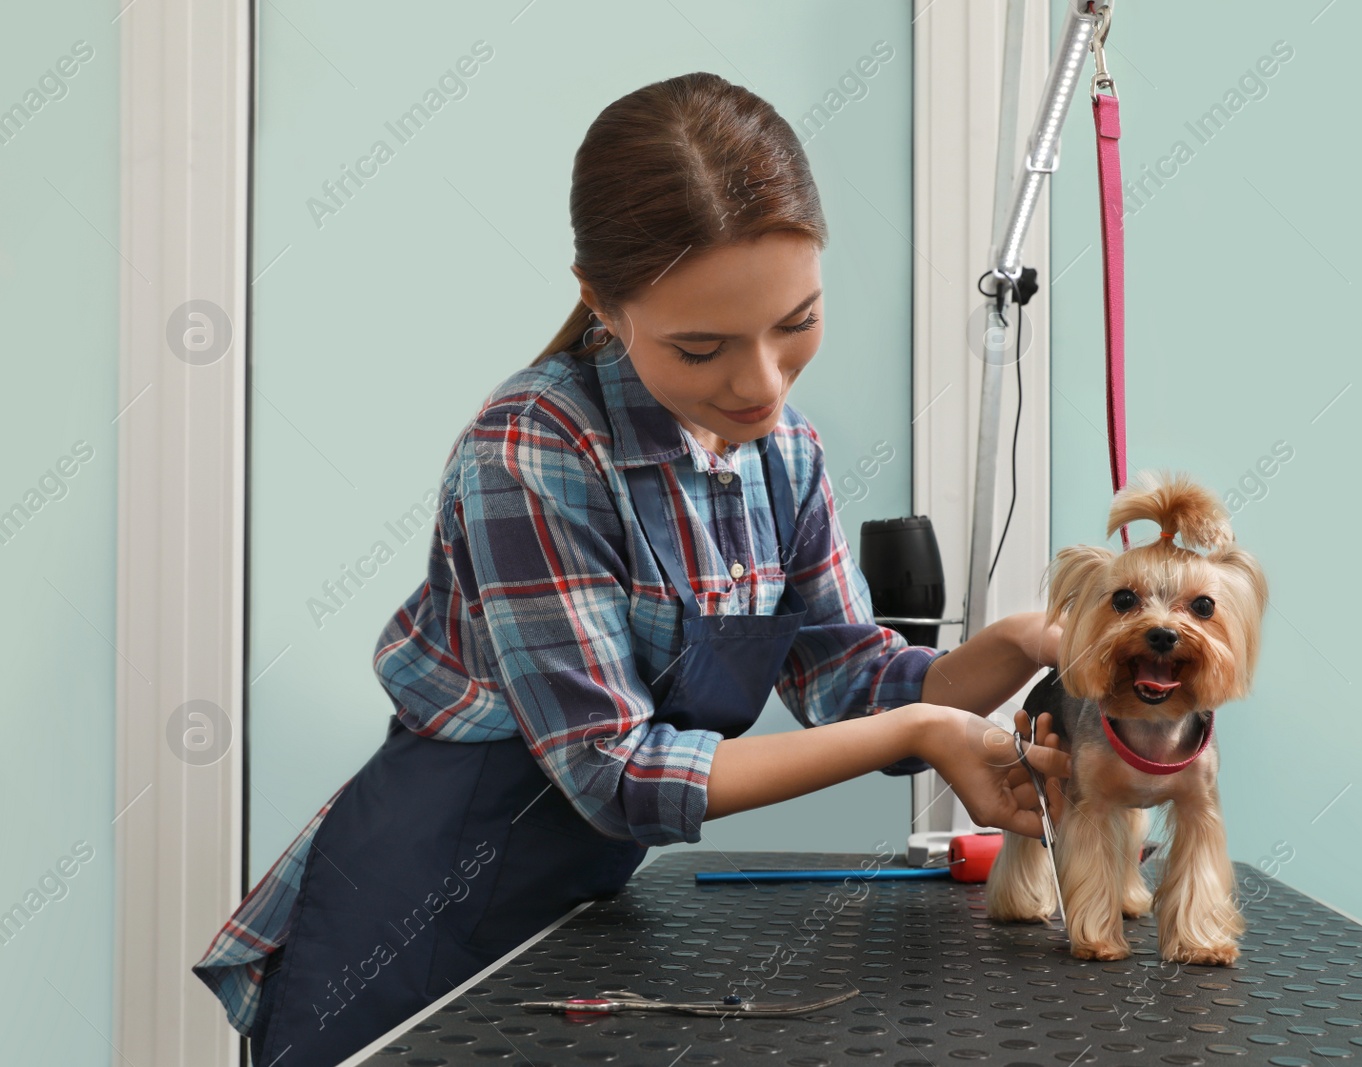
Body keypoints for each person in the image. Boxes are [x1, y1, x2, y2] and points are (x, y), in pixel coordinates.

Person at [192, 70, 1071, 1066]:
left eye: (796, 325)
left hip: (577, 915)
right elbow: (613, 771)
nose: (761, 385)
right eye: (701, 348)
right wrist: (916, 728)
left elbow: (847, 679)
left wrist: (1015, 648)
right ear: (599, 303)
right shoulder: (533, 450)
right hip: (415, 929)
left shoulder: (784, 455)